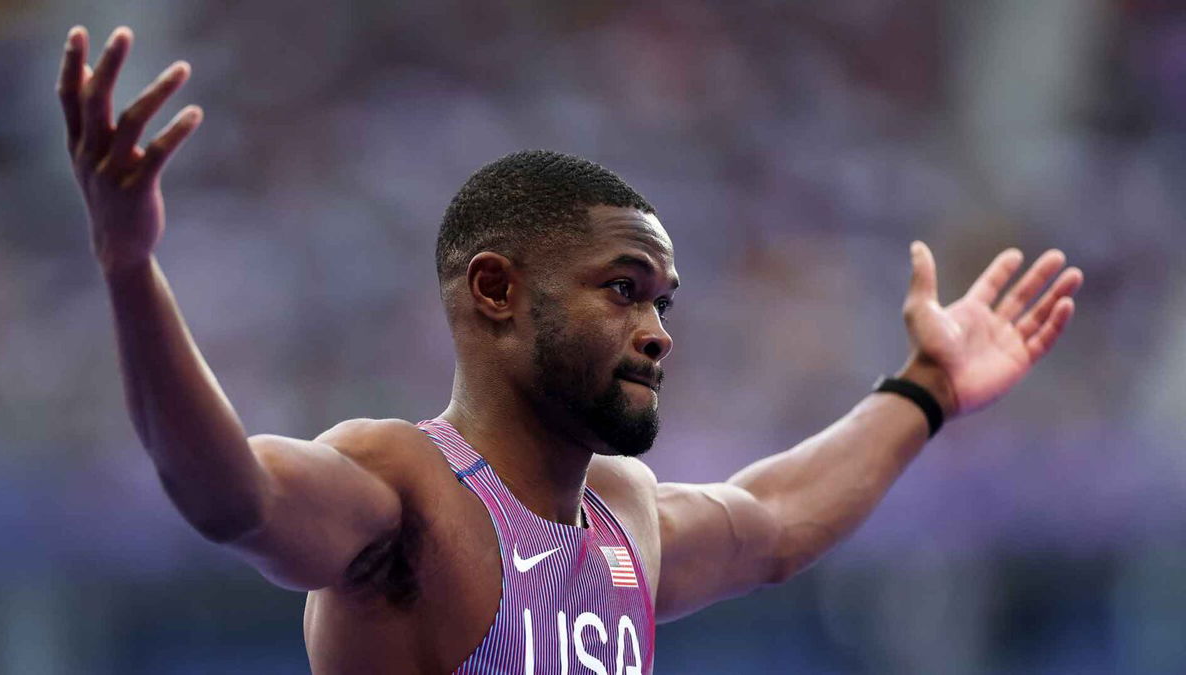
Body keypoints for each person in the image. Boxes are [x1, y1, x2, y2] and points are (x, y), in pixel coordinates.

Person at [57, 25, 1084, 675]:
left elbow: (774, 520)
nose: (657, 329)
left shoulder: (624, 521)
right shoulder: (404, 488)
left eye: (665, 300)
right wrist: (128, 266)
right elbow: (230, 496)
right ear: (498, 291)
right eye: (623, 291)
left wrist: (926, 386)